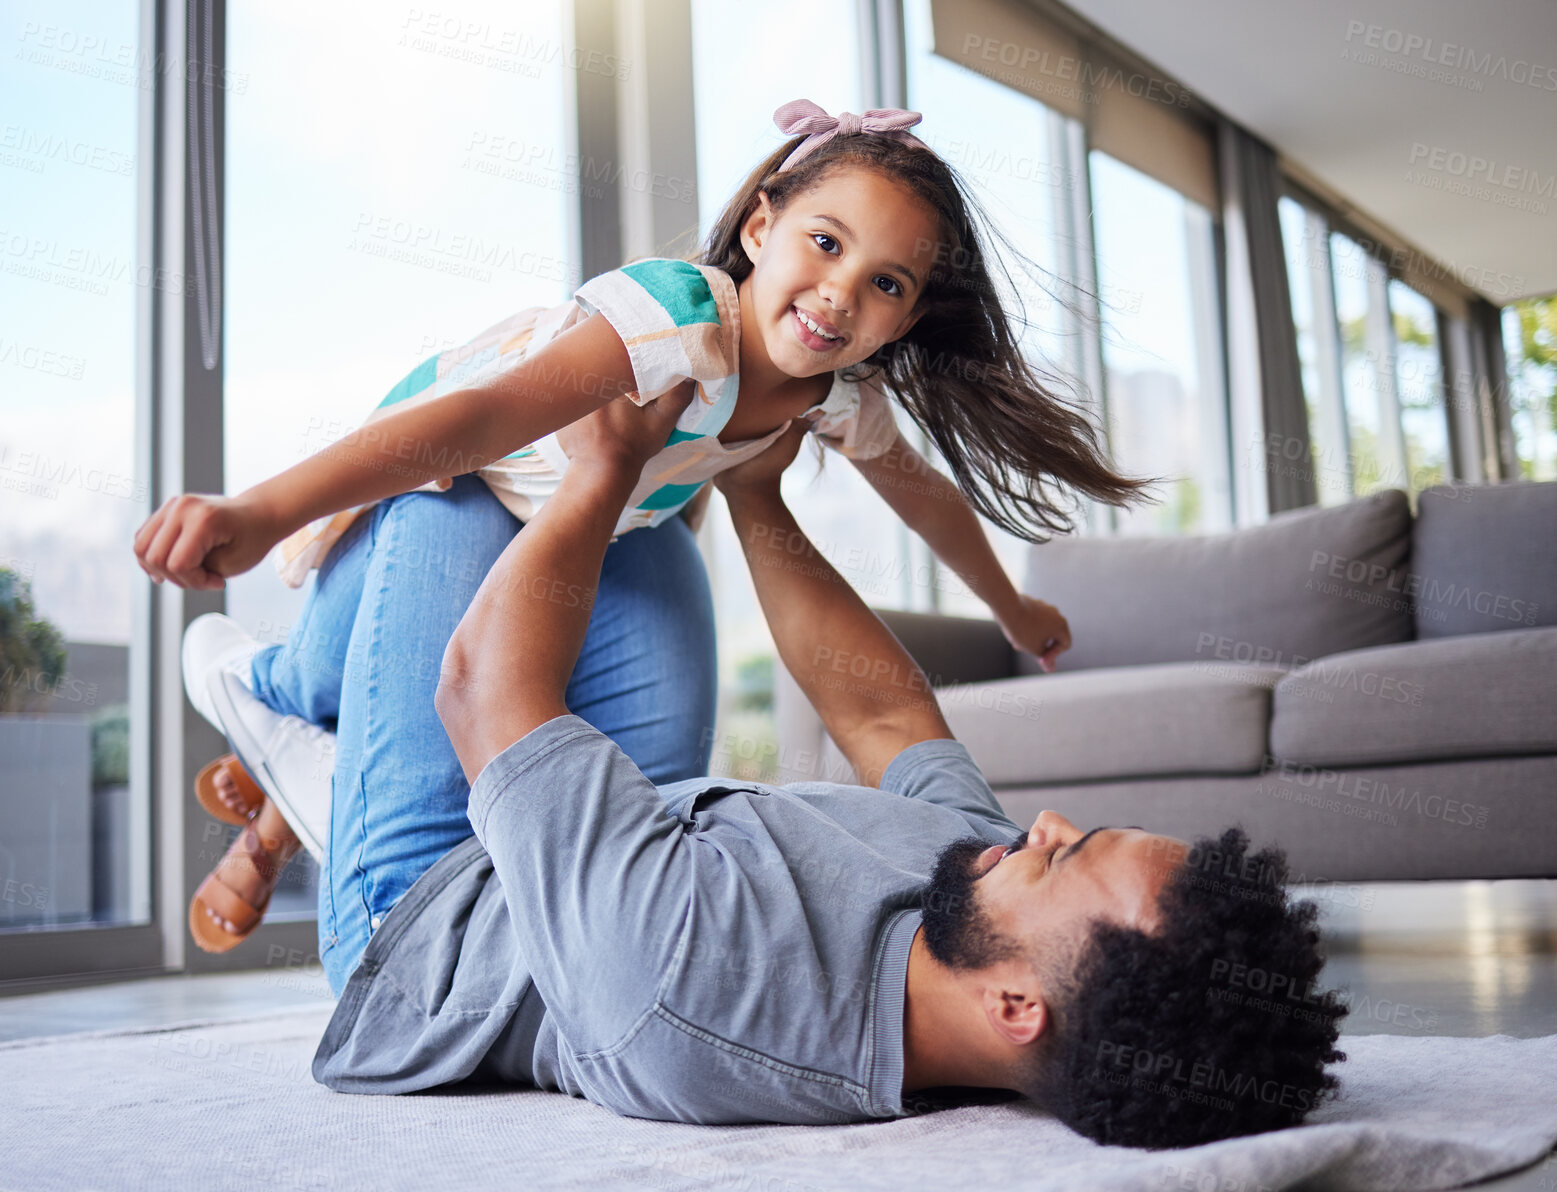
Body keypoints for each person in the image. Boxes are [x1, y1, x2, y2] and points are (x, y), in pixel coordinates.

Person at [134, 97, 1152, 949]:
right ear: (761, 229)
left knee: (652, 781)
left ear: (907, 315)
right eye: (825, 243)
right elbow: (481, 419)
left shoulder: (834, 394)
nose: (840, 295)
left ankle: (277, 809)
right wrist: (260, 508)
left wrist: (1011, 603)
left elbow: (922, 495)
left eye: (885, 283)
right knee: (343, 689)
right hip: (462, 480)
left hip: (620, 522)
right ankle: (259, 686)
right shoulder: (672, 321)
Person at [258, 380, 1343, 1150]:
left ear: (1019, 1008)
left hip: (428, 909)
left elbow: (483, 690)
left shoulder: (696, 988)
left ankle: (272, 687)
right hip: (627, 829)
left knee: (461, 485)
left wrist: (599, 467)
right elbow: (881, 712)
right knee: (655, 537)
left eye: (1066, 858)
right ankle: (326, 696)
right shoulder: (975, 902)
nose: (1045, 823)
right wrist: (753, 492)